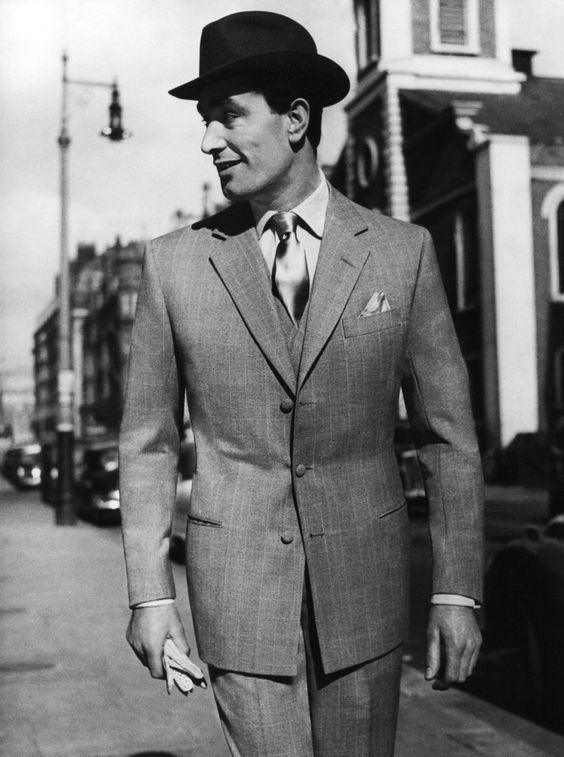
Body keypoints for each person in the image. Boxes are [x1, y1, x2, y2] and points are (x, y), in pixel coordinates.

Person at [120, 11, 484, 756]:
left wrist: (456, 589)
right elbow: (147, 443)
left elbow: (447, 440)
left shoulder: (402, 254)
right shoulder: (174, 265)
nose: (207, 140)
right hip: (238, 597)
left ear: (294, 119)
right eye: (203, 120)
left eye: (227, 116)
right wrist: (150, 595)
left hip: (365, 592)